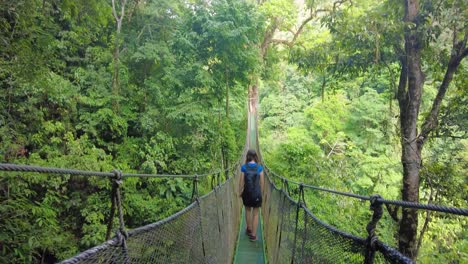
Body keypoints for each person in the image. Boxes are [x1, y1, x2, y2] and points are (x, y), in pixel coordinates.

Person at [239, 149, 264, 242]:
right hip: (256, 194)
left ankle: (249, 228)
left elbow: (241, 182)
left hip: (247, 193)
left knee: (248, 210)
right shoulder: (259, 168)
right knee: (256, 214)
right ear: (256, 157)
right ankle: (253, 235)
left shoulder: (244, 167)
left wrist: (239, 191)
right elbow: (262, 182)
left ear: (248, 156)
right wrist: (261, 193)